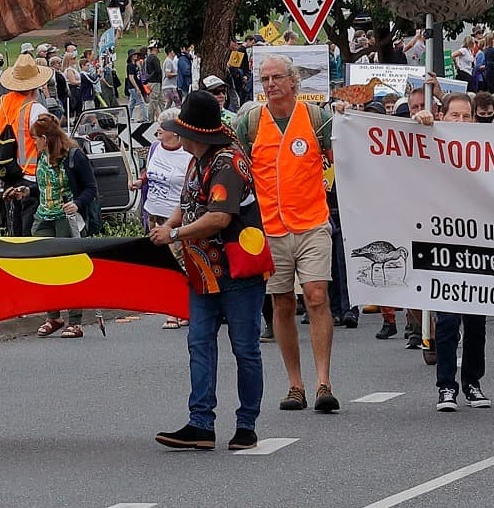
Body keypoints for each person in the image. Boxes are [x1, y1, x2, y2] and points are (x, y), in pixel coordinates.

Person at [152, 91, 267, 451]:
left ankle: (246, 422)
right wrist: (170, 223)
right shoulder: (197, 162)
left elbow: (218, 217)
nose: (176, 137)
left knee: (245, 348)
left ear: (196, 135)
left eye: (181, 131)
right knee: (199, 343)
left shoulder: (227, 165)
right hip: (203, 271)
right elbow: (185, 204)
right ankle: (201, 422)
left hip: (237, 272)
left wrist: (173, 234)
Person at [233, 53, 341, 414]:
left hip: (312, 222)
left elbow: (344, 153)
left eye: (277, 77)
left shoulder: (315, 117)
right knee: (281, 302)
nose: (270, 85)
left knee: (316, 295)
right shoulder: (249, 122)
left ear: (294, 81)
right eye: (264, 79)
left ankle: (323, 381)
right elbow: (236, 167)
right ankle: (295, 384)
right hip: (270, 228)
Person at [409, 93, 493, 411]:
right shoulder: (431, 140)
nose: (460, 121)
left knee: (475, 321)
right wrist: (421, 124)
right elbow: (407, 145)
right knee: (446, 320)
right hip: (442, 243)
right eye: (454, 116)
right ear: (443, 116)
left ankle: (472, 382)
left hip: (478, 244)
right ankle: (446, 386)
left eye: (466, 116)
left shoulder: (486, 146)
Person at [29, 114, 98, 339]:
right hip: (43, 217)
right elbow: (42, 187)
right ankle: (53, 316)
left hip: (65, 219)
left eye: (36, 138)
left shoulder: (74, 156)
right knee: (45, 270)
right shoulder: (41, 156)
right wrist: (25, 192)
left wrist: (77, 204)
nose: (34, 143)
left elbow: (90, 188)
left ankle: (75, 320)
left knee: (68, 267)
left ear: (46, 138)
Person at [135, 107, 193, 330]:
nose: (158, 129)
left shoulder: (187, 153)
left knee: (180, 264)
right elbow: (149, 172)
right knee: (163, 264)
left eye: (163, 126)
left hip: (176, 217)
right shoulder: (155, 148)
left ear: (176, 131)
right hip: (154, 213)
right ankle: (173, 309)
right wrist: (141, 182)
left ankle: (181, 310)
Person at [0, 55, 52, 238]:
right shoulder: (36, 110)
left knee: (15, 234)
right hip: (33, 180)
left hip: (9, 176)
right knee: (34, 236)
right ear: (36, 84)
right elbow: (50, 147)